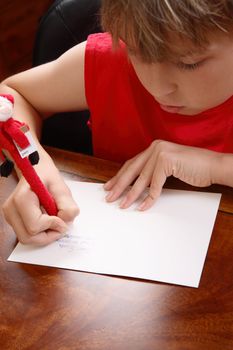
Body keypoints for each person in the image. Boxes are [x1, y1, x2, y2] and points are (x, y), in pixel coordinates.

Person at [1, 0, 233, 245]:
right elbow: (12, 97)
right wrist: (35, 166)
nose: (157, 88)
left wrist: (216, 166)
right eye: (136, 51)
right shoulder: (113, 60)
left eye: (189, 63)